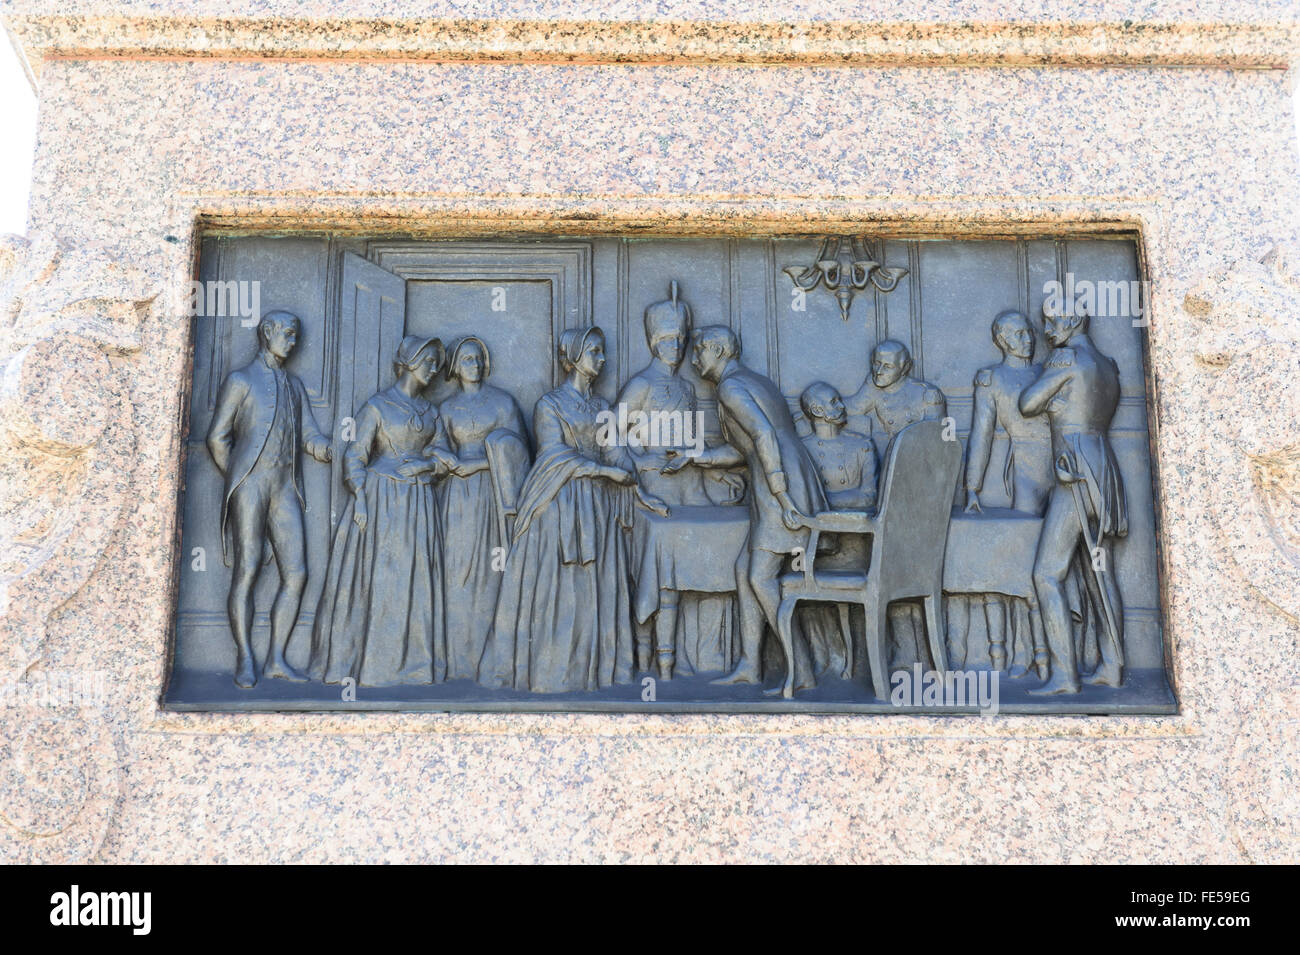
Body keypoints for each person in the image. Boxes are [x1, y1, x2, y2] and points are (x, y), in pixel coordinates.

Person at [480, 327, 667, 693]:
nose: (601, 359)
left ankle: (596, 670)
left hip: (597, 503)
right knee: (563, 587)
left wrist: (638, 488)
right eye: (594, 351)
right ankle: (555, 672)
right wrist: (603, 471)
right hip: (557, 502)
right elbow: (554, 455)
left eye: (602, 352)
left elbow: (614, 450)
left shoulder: (600, 408)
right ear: (574, 357)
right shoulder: (549, 405)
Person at [663, 326, 827, 693]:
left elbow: (765, 437)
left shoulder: (731, 388)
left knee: (761, 577)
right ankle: (750, 666)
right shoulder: (750, 382)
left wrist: (782, 494)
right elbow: (746, 449)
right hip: (776, 480)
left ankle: (801, 669)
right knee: (744, 570)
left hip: (778, 486)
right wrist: (694, 457)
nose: (693, 359)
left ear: (718, 350)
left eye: (699, 351)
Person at [309, 336, 449, 686]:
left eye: (436, 363)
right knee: (381, 579)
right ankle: (370, 667)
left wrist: (424, 466)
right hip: (380, 500)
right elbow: (355, 455)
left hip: (419, 504)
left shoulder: (432, 413)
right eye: (428, 361)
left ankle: (413, 667)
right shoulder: (378, 406)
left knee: (415, 580)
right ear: (409, 361)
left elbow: (445, 457)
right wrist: (359, 496)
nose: (434, 369)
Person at [207, 310, 332, 688]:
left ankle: (277, 657)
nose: (292, 342)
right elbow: (217, 437)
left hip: (284, 489)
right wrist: (239, 477)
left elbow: (310, 433)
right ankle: (245, 656)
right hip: (251, 485)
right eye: (288, 334)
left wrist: (330, 447)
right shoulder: (241, 380)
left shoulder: (294, 386)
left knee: (297, 573)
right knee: (248, 568)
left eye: (296, 336)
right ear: (268, 332)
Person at [617, 282, 736, 679]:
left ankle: (696, 657)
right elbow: (611, 438)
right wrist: (642, 458)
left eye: (681, 340)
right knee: (659, 571)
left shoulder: (686, 387)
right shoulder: (640, 385)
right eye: (668, 339)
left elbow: (689, 440)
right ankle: (648, 660)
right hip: (651, 490)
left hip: (687, 486)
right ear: (653, 342)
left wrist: (693, 456)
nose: (677, 346)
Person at [1020, 299, 1127, 694]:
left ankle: (1066, 676)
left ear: (1075, 319)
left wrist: (1050, 391)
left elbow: (1027, 403)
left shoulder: (1064, 360)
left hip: (1075, 472)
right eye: (1044, 322)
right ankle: (1113, 667)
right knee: (1100, 572)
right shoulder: (1108, 365)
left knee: (1046, 574)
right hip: (1104, 468)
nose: (1048, 330)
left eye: (1053, 321)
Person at [955, 310, 1054, 676]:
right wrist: (972, 487)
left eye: (1028, 330)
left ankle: (1064, 655)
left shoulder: (1050, 369)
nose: (1028, 337)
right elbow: (981, 434)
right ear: (1002, 340)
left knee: (1062, 564)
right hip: (1027, 473)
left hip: (1065, 467)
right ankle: (1022, 653)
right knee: (1022, 565)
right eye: (1017, 333)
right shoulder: (992, 380)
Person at [845, 339, 947, 669]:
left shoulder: (927, 396)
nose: (878, 370)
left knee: (903, 568)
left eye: (886, 365)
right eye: (875, 363)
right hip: (889, 486)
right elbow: (845, 410)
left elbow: (940, 447)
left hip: (922, 489)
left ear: (905, 367)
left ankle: (912, 655)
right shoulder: (875, 387)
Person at [433, 336, 530, 682]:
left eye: (478, 358)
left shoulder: (503, 403)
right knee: (456, 573)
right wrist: (443, 459)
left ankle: (488, 661)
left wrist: (479, 464)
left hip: (493, 495)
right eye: (466, 359)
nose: (473, 364)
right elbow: (437, 450)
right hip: (457, 500)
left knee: (492, 573)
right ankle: (458, 663)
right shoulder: (445, 409)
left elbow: (519, 454)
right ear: (456, 368)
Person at [797, 381, 877, 678]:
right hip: (813, 547)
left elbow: (869, 497)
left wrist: (817, 505)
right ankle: (822, 659)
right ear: (818, 411)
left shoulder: (862, 445)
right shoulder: (800, 451)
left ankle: (857, 664)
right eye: (834, 402)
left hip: (860, 545)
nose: (842, 406)